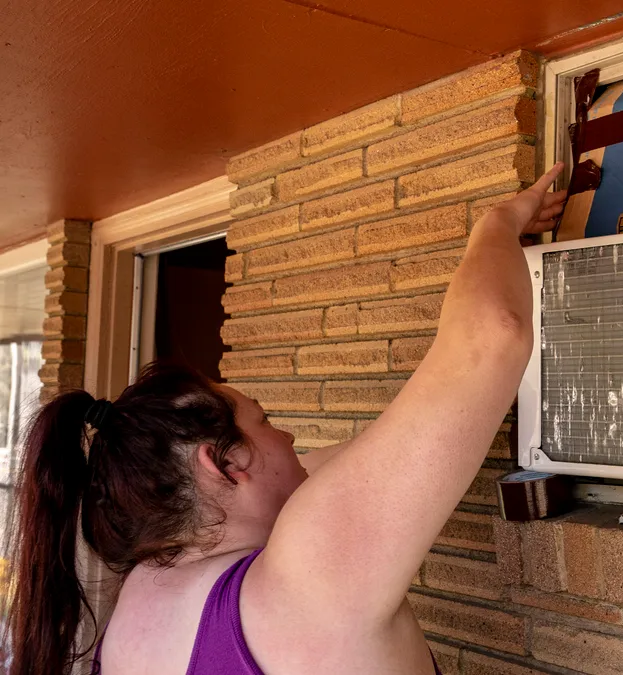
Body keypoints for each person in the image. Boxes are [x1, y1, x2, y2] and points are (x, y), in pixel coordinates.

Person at [6, 164, 568, 675]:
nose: (289, 436)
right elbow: (493, 333)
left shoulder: (140, 598)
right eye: (264, 421)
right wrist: (497, 224)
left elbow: (360, 460)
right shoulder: (306, 576)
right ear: (225, 463)